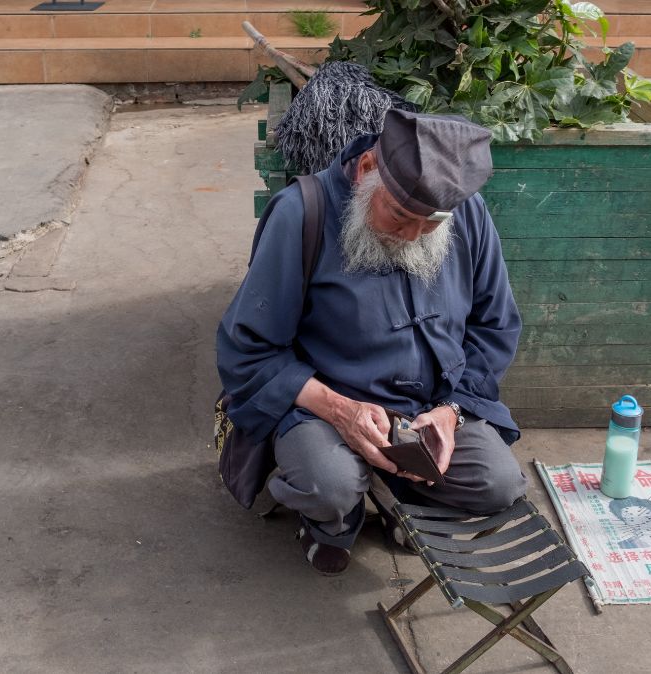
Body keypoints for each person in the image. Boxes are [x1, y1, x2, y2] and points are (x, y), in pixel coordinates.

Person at [216, 109, 529, 575]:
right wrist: (341, 411)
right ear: (366, 169)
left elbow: (495, 325)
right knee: (330, 483)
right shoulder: (303, 213)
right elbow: (249, 349)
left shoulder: (467, 214)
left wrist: (451, 412)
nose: (410, 237)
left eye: (429, 226)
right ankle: (331, 519)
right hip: (322, 405)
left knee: (500, 484)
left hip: (429, 406)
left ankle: (399, 489)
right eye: (400, 215)